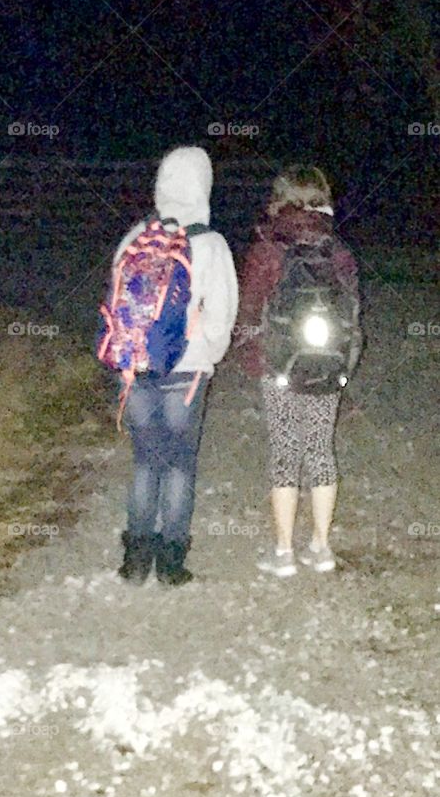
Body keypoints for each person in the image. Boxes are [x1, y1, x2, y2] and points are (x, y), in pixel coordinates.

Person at [114, 146, 238, 585]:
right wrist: (209, 353)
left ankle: (134, 561)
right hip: (187, 372)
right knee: (180, 463)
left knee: (145, 461)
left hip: (136, 369)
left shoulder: (135, 238)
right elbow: (222, 315)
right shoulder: (210, 243)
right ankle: (170, 563)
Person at [234, 165, 360, 576]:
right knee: (321, 450)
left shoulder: (268, 247)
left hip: (279, 369)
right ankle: (321, 548)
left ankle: (283, 552)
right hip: (327, 367)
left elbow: (249, 312)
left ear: (281, 197)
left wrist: (254, 360)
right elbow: (354, 318)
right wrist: (344, 368)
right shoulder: (338, 250)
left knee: (286, 452)